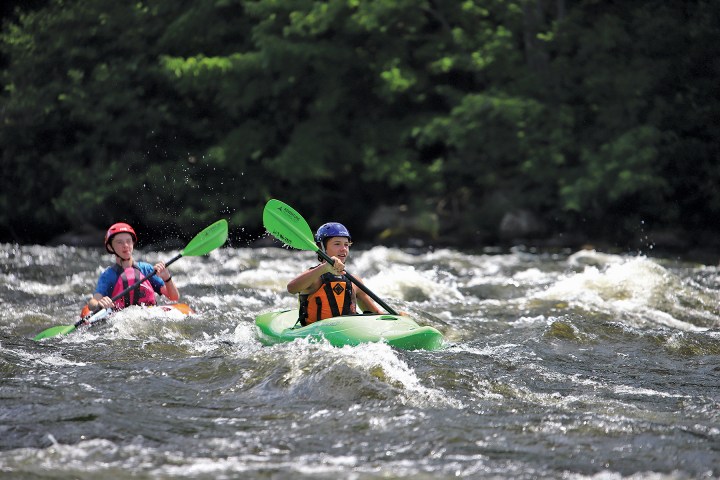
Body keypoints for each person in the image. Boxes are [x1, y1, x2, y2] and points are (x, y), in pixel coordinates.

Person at [287, 222, 384, 326]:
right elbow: (291, 288)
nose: (343, 249)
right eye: (337, 244)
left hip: (348, 333)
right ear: (322, 247)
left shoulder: (354, 281)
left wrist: (398, 317)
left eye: (346, 245)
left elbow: (376, 314)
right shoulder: (314, 277)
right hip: (315, 336)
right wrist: (324, 268)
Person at [85, 222, 179, 314]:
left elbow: (174, 297)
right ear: (110, 247)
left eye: (128, 241)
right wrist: (99, 304)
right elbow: (93, 302)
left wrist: (167, 278)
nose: (125, 245)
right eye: (119, 242)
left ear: (133, 243)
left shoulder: (146, 269)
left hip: (149, 314)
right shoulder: (108, 275)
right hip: (119, 318)